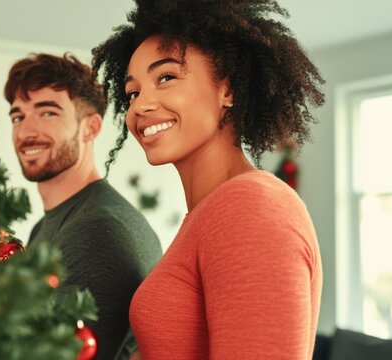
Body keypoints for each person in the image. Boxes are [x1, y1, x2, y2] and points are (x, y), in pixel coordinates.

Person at [91, 0, 324, 358]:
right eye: (133, 92)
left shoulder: (250, 207)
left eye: (166, 77)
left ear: (227, 90)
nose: (140, 106)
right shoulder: (211, 211)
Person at [4, 53, 162, 360]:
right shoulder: (49, 224)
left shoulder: (97, 231)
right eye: (18, 117)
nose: (25, 132)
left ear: (90, 128)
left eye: (47, 113)